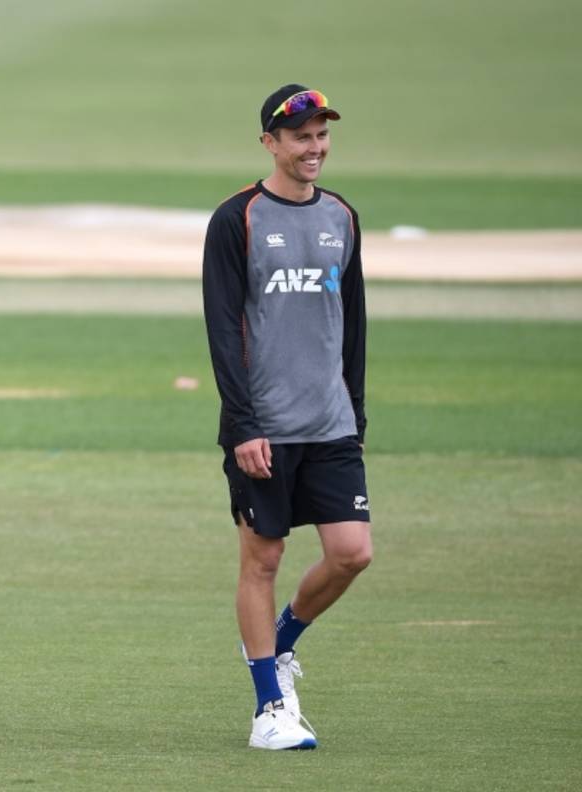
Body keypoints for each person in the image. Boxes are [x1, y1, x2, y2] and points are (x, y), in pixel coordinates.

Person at [201, 84, 372, 750]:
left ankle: (281, 644)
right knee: (263, 560)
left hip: (330, 424)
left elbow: (351, 322)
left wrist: (354, 412)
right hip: (265, 426)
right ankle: (269, 708)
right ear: (270, 142)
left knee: (352, 553)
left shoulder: (342, 217)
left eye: (322, 135)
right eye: (301, 136)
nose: (315, 147)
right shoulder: (236, 219)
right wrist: (243, 424)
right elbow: (222, 327)